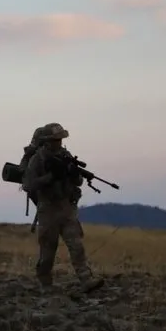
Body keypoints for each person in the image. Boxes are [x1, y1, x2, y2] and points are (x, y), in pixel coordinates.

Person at [22, 123, 104, 293]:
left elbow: (78, 181)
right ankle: (45, 283)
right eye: (54, 140)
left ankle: (86, 279)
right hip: (48, 210)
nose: (58, 143)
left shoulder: (65, 156)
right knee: (48, 250)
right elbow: (28, 185)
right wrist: (50, 177)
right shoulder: (37, 160)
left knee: (76, 246)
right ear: (46, 141)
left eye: (60, 139)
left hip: (66, 207)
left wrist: (73, 175)